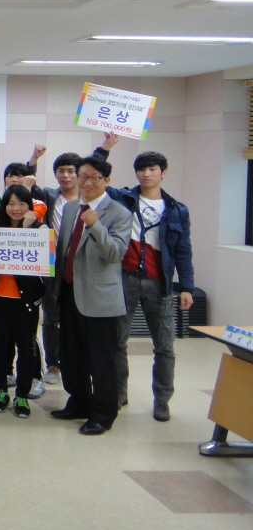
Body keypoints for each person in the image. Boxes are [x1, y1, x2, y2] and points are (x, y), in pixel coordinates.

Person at [104, 149, 194, 422]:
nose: (146, 174)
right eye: (142, 169)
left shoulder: (177, 209)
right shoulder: (123, 198)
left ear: (163, 172)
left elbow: (183, 250)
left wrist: (187, 286)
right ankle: (119, 392)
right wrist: (105, 148)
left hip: (160, 284)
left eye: (152, 169)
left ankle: (162, 400)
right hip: (125, 279)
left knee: (164, 346)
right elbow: (98, 175)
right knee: (117, 341)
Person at [50, 156, 131, 436]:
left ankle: (104, 414)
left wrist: (96, 226)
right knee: (71, 355)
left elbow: (115, 254)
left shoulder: (119, 213)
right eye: (82, 176)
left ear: (106, 180)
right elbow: (64, 249)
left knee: (102, 360)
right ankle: (79, 402)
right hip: (69, 292)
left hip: (100, 298)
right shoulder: (71, 207)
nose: (86, 182)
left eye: (93, 177)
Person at [26, 137, 115, 384]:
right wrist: (34, 159)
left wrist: (105, 149)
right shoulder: (49, 196)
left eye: (71, 171)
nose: (66, 176)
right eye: (61, 171)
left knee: (80, 318)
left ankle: (79, 363)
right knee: (51, 317)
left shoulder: (92, 199)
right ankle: (53, 365)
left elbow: (97, 169)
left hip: (86, 267)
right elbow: (28, 186)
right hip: (53, 266)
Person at [0, 185, 47, 419]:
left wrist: (28, 228)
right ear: (4, 206)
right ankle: (1, 391)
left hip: (25, 301)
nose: (16, 209)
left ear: (30, 206)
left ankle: (22, 395)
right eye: (11, 203)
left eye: (22, 204)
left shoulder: (40, 229)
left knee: (26, 348)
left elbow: (45, 264)